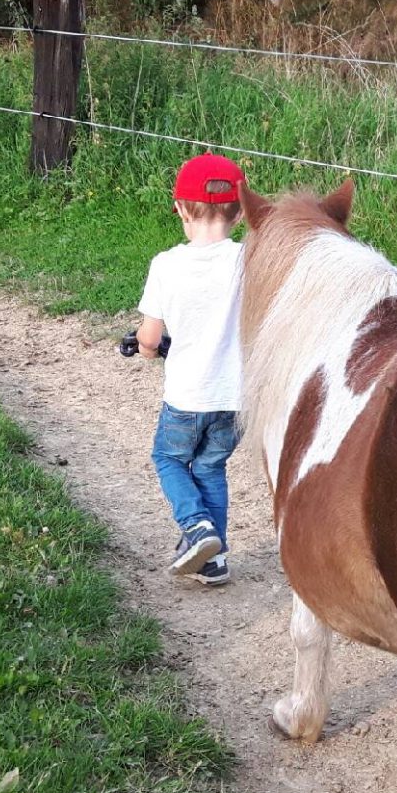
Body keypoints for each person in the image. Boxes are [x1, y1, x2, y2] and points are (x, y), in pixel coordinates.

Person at [136, 152, 246, 586]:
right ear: (239, 212)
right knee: (209, 468)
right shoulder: (248, 261)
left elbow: (148, 339)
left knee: (167, 458)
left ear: (180, 208)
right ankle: (213, 561)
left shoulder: (166, 265)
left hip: (187, 396)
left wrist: (148, 349)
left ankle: (197, 528)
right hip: (236, 399)